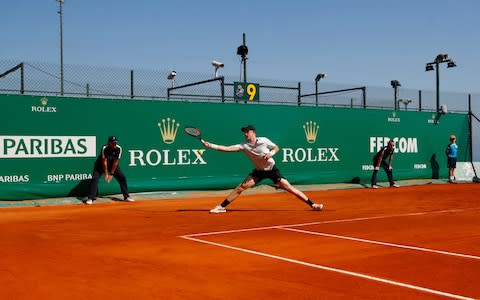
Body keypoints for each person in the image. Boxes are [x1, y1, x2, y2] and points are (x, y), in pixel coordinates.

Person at [202, 125, 324, 213]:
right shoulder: (243, 145)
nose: (245, 134)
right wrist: (211, 145)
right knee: (240, 187)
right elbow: (227, 148)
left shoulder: (264, 140)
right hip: (258, 172)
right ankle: (221, 207)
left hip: (272, 170)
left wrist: (270, 154)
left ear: (253, 133)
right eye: (244, 132)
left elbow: (276, 147)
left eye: (247, 132)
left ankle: (313, 204)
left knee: (289, 188)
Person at [85, 136, 134, 205]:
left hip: (112, 165)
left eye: (115, 143)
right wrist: (106, 174)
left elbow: (116, 162)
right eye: (113, 143)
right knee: (95, 179)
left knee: (122, 177)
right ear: (109, 143)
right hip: (100, 165)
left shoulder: (118, 148)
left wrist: (111, 174)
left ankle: (126, 197)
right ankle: (91, 198)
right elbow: (104, 162)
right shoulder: (104, 148)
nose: (115, 144)